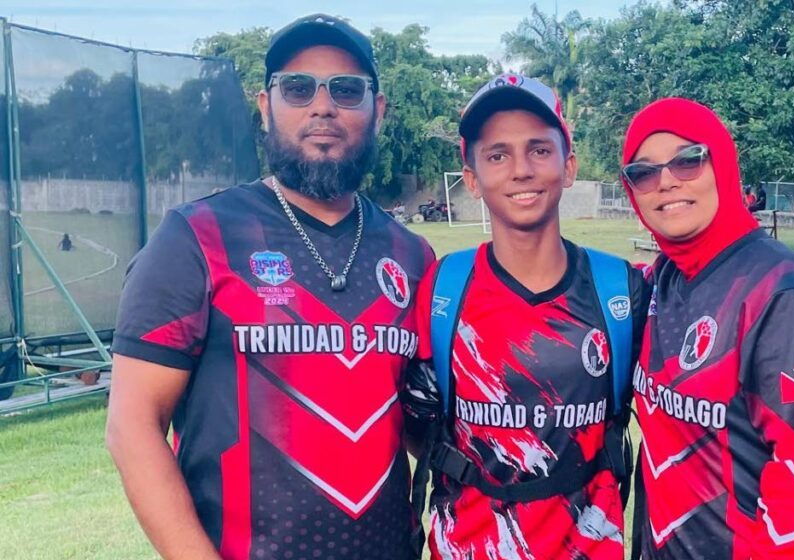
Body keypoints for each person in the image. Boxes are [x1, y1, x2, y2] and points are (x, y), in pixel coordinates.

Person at [105, 14, 433, 560]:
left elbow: (420, 423)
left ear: (378, 111)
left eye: (347, 90)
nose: (322, 106)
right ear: (266, 106)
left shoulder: (412, 255)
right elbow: (132, 426)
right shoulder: (196, 237)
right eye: (298, 88)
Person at [402, 74, 649, 560]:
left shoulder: (620, 290)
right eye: (497, 155)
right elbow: (418, 426)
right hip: (467, 548)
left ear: (569, 165)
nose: (521, 170)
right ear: (471, 178)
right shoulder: (443, 289)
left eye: (539, 150)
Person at [619, 98, 794, 559]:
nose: (666, 181)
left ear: (723, 165)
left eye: (688, 160)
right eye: (643, 172)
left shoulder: (786, 295)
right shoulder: (660, 281)